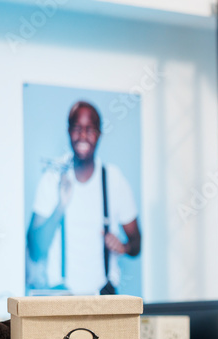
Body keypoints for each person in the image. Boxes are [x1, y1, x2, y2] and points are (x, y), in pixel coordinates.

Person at [27, 101, 140, 295]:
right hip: (60, 297)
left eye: (90, 129)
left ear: (99, 134)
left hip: (103, 298)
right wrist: (61, 206)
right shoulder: (53, 177)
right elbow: (35, 246)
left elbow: (137, 243)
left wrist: (124, 246)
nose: (83, 135)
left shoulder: (114, 179)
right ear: (68, 131)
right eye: (77, 128)